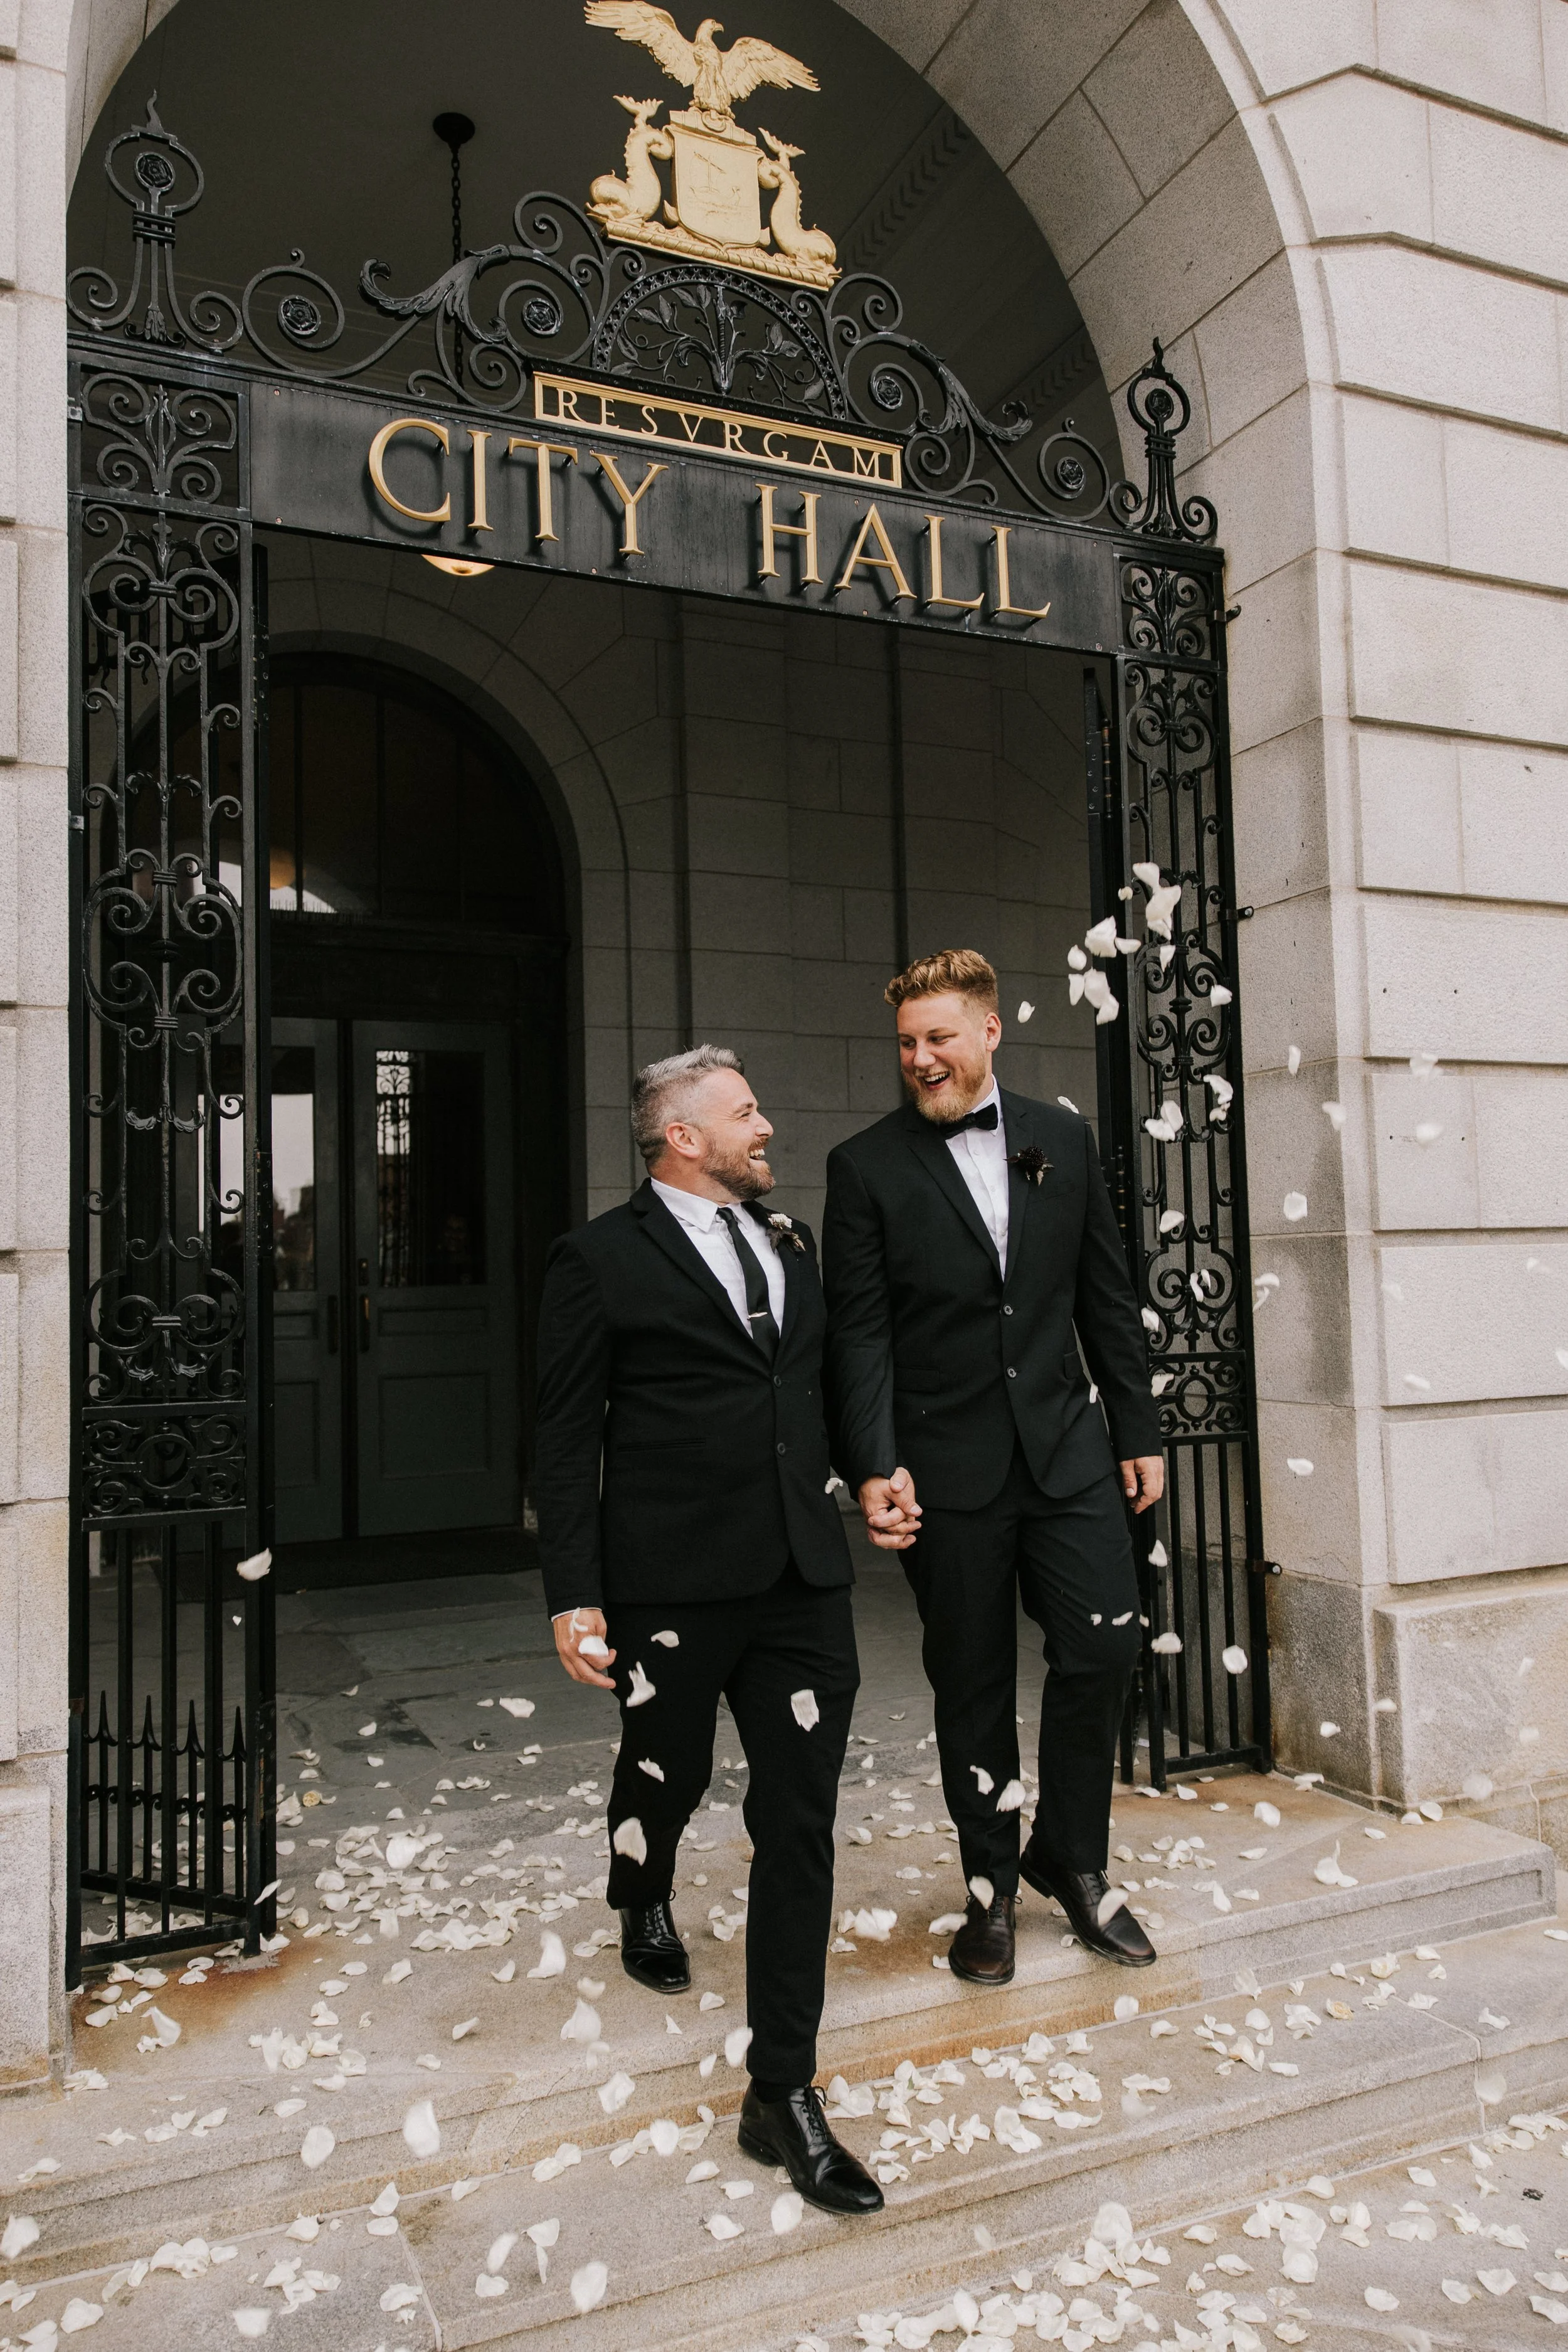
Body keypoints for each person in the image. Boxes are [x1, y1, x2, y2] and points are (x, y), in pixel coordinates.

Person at [533, 1044, 883, 2215]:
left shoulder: (792, 1244)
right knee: (664, 1768)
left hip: (801, 1579)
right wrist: (574, 1592)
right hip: (670, 1583)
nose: (766, 1124)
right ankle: (643, 1883)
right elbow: (565, 1430)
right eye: (746, 1112)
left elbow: (821, 1386)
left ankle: (780, 2089)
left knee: (802, 1821)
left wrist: (872, 1471)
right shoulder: (597, 1258)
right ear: (683, 1136)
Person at [822, 950, 1165, 1985]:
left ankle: (1069, 1850)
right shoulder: (866, 1165)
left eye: (940, 1037)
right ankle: (991, 1888)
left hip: (1067, 1453)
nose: (921, 1059)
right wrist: (874, 1460)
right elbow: (859, 1335)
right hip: (945, 1469)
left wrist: (1138, 1426)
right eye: (907, 1044)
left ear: (991, 1030)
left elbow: (1104, 1290)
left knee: (1105, 1645)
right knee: (969, 1681)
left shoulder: (1062, 1138)